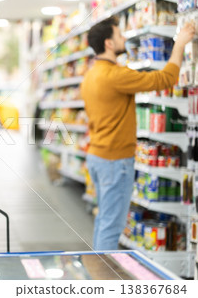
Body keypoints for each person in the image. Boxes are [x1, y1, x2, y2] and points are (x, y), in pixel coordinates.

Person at [80, 16, 195, 250]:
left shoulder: (91, 74)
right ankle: (105, 282)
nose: (124, 38)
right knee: (112, 227)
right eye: (120, 35)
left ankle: (97, 271)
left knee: (104, 220)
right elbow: (165, 79)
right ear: (109, 43)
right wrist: (180, 43)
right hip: (114, 160)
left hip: (97, 156)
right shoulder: (115, 75)